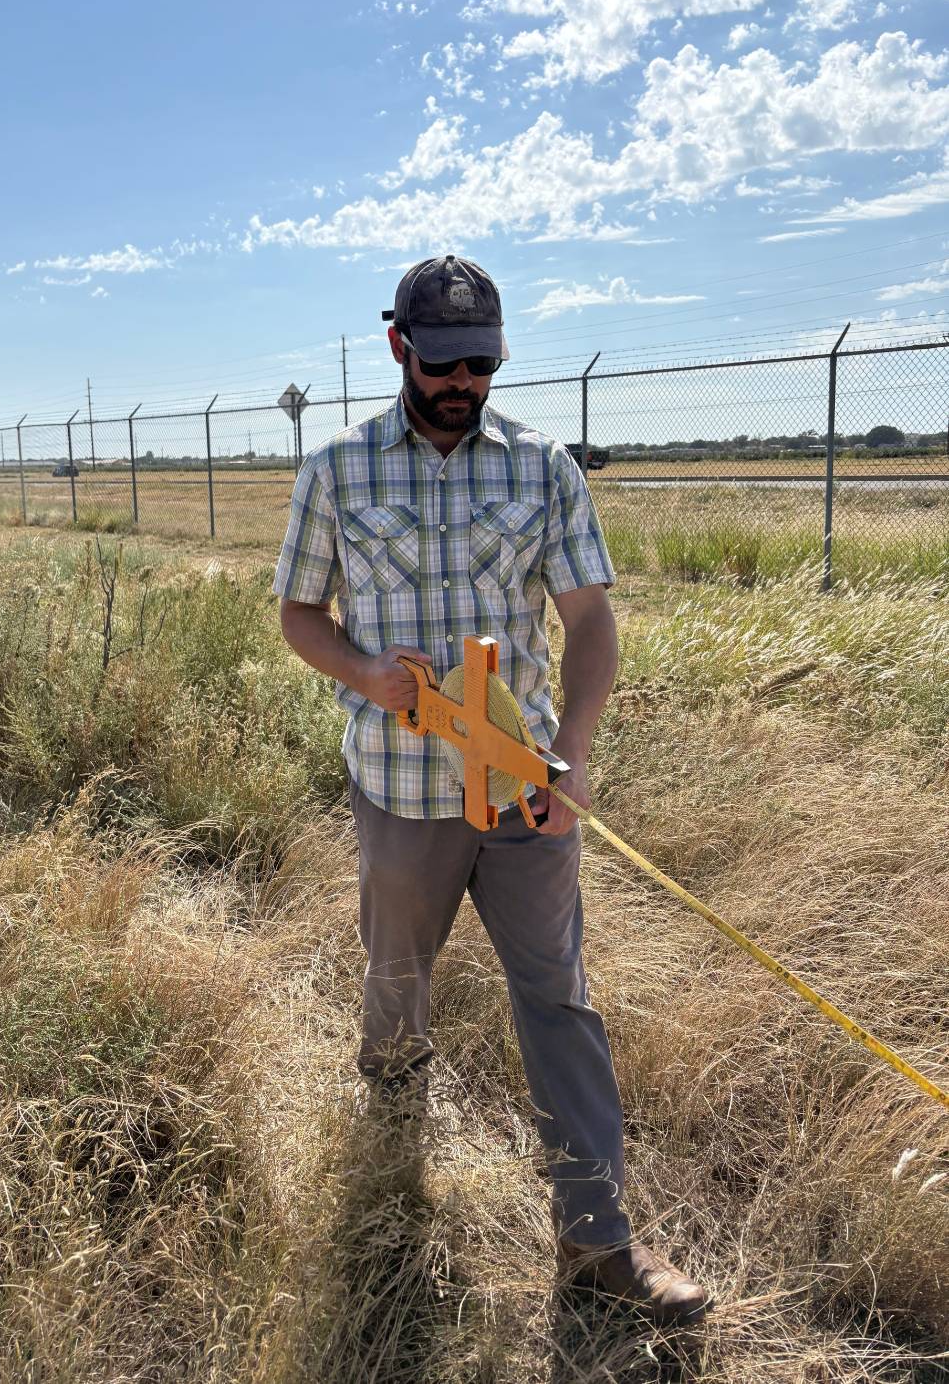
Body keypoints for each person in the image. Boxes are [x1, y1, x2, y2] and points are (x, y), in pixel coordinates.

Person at [273, 255, 708, 1324]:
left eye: (483, 362)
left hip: (525, 794)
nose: (465, 381)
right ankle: (387, 1185)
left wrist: (577, 753)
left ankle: (598, 1243)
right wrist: (367, 675)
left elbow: (590, 621)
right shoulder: (335, 471)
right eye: (444, 363)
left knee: (558, 995)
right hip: (401, 792)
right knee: (398, 987)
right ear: (399, 351)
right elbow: (297, 614)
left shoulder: (542, 468)